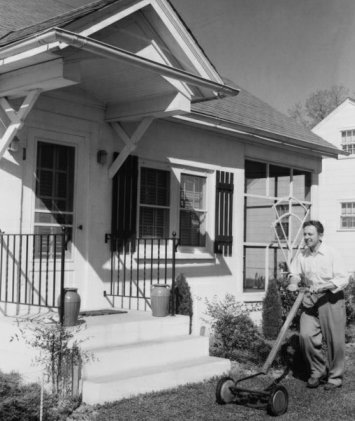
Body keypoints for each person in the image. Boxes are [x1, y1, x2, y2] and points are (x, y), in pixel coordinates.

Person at [288, 220, 349, 390]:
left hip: (331, 299)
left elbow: (343, 278)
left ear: (320, 235)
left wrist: (322, 287)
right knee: (305, 336)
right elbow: (295, 273)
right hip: (310, 300)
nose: (306, 237)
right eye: (305, 234)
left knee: (334, 341)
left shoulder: (331, 253)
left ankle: (335, 377)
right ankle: (317, 371)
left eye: (310, 234)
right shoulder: (303, 255)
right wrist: (294, 282)